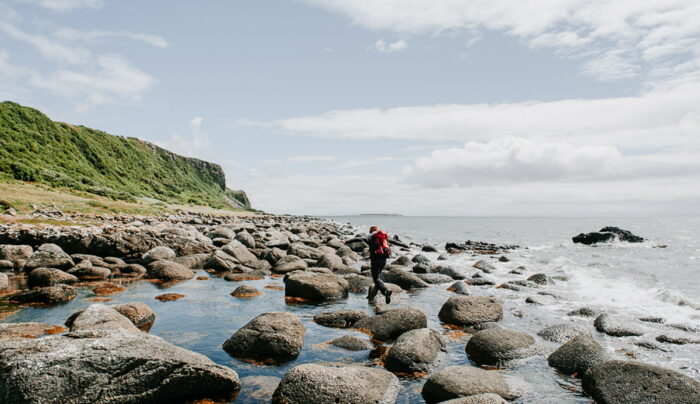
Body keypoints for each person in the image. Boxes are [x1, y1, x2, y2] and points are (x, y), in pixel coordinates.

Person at [348, 226, 392, 304]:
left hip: (375, 260)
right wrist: (406, 245)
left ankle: (386, 291)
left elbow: (359, 239)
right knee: (379, 278)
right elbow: (394, 241)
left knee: (376, 279)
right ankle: (376, 296)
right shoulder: (383, 237)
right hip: (384, 259)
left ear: (370, 231)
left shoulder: (370, 237)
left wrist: (347, 241)